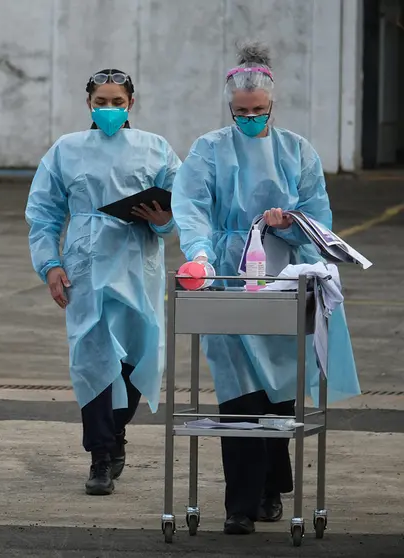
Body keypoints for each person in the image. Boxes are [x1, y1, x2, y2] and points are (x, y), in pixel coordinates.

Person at [171, 42, 361, 535]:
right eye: (241, 112)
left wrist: (289, 221)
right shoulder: (209, 149)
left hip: (282, 279)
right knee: (237, 396)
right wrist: (200, 256)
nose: (250, 119)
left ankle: (272, 486)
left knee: (278, 394)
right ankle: (240, 504)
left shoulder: (298, 150)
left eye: (258, 111)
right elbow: (189, 205)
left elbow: (319, 216)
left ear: (272, 106)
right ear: (229, 109)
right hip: (227, 278)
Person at [25, 69, 180, 496]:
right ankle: (100, 455)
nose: (109, 109)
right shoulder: (66, 150)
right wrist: (50, 265)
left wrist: (164, 222)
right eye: (101, 102)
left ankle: (116, 433)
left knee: (134, 354)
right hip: (85, 267)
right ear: (88, 103)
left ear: (132, 103)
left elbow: (183, 208)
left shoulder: (156, 149)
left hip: (136, 264)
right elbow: (43, 213)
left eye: (117, 102)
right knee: (92, 355)